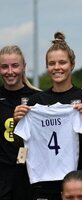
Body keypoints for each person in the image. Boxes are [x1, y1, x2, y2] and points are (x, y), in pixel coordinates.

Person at [14, 32, 82, 200]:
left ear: (72, 64)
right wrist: (18, 121)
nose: (57, 67)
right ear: (47, 67)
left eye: (62, 62)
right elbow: (21, 143)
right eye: (52, 63)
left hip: (78, 181)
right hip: (44, 181)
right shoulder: (36, 102)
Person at [0, 45, 40, 199]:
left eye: (15, 66)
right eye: (4, 67)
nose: (10, 71)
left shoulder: (38, 98)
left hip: (29, 176)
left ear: (24, 67)